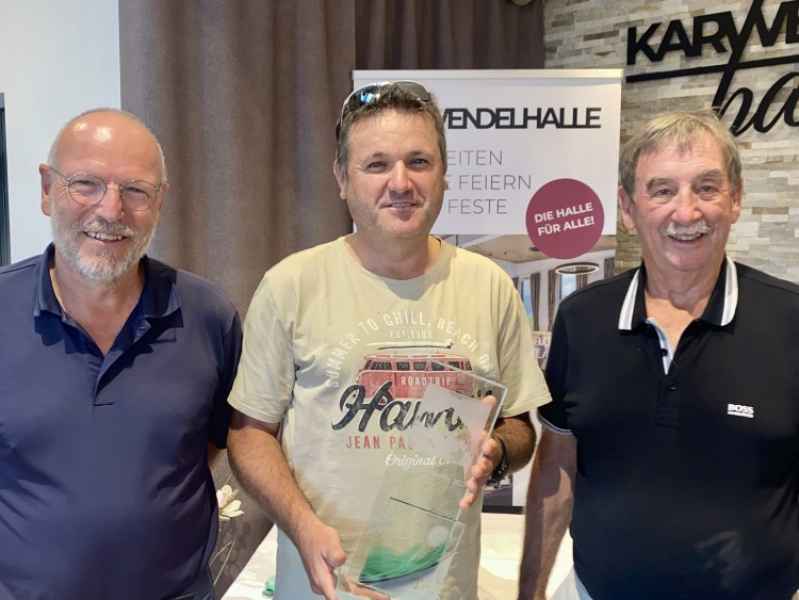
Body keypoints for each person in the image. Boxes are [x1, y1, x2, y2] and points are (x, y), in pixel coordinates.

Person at [227, 81, 551, 600]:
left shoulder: (489, 286)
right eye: (376, 164)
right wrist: (303, 529)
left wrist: (495, 452)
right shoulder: (290, 285)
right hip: (324, 587)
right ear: (342, 178)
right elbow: (249, 435)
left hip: (444, 587)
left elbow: (519, 426)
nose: (400, 182)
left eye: (418, 162)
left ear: (443, 174)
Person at [517, 111, 799, 600]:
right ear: (628, 208)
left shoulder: (790, 319)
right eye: (662, 191)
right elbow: (557, 465)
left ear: (735, 198)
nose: (686, 213)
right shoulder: (582, 319)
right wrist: (529, 592)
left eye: (706, 188)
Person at [0, 109, 242, 599]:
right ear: (46, 189)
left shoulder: (208, 316)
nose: (111, 210)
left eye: (135, 190)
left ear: (160, 202)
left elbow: (212, 444)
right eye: (86, 184)